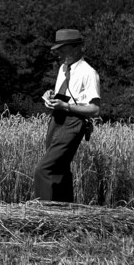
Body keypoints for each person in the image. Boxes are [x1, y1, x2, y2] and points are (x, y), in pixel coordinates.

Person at [34, 29, 100, 203]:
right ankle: (65, 211)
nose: (59, 53)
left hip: (73, 123)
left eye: (63, 48)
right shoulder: (63, 69)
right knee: (60, 169)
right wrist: (51, 98)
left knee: (44, 169)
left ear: (77, 48)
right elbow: (61, 95)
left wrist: (67, 107)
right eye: (58, 49)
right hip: (56, 120)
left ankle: (44, 212)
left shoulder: (89, 73)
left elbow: (94, 109)